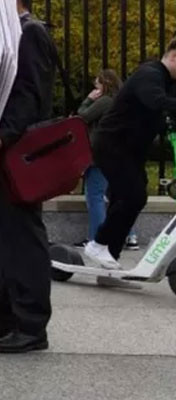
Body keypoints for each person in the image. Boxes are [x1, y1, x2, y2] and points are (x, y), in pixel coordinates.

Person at [0, 0, 55, 354]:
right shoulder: (6, 36)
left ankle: (32, 324)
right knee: (4, 239)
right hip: (1, 156)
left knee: (22, 237)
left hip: (17, 153)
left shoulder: (30, 33)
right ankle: (5, 311)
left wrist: (1, 137)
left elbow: (29, 98)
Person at [83, 38, 176, 269]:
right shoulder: (150, 74)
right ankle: (99, 244)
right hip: (112, 145)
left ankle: (109, 257)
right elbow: (155, 101)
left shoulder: (168, 81)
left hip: (130, 149)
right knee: (134, 195)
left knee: (127, 197)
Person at [74, 70, 139, 250]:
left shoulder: (105, 101)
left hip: (101, 155)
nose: (96, 89)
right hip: (121, 154)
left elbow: (83, 117)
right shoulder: (125, 101)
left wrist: (88, 99)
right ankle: (130, 236)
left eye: (97, 85)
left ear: (105, 85)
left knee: (95, 196)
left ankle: (98, 239)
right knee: (118, 196)